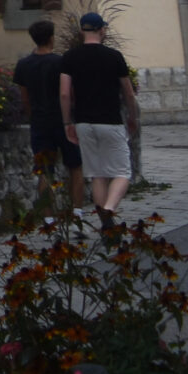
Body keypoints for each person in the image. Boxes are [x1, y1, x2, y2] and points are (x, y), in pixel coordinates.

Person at [60, 11, 140, 224]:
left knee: (97, 173)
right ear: (102, 30)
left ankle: (106, 224)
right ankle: (109, 208)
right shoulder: (114, 57)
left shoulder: (70, 57)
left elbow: (65, 93)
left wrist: (67, 122)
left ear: (81, 31)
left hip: (84, 122)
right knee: (123, 172)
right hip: (110, 120)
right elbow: (128, 92)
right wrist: (132, 116)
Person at [11, 18, 84, 209]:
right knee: (75, 167)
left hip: (39, 121)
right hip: (62, 120)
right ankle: (77, 213)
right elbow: (68, 92)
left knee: (44, 170)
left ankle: (49, 218)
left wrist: (32, 116)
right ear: (51, 38)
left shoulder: (23, 64)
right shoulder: (61, 62)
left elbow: (24, 97)